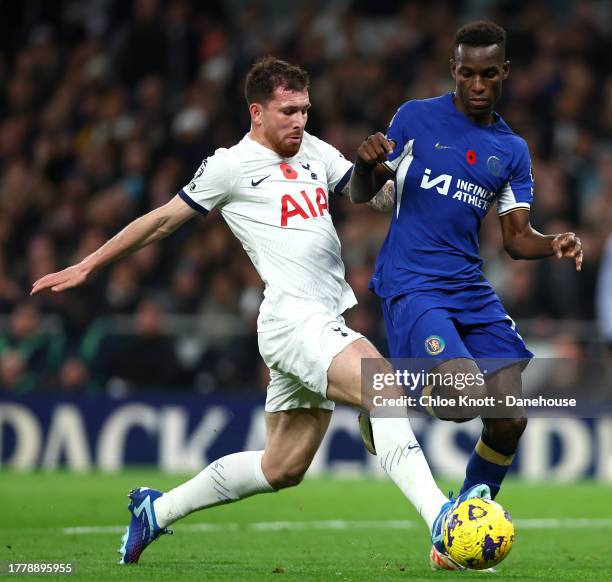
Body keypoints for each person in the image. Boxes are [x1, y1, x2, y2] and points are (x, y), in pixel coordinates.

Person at [31, 57, 491, 569]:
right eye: (288, 111)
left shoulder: (314, 150)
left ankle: (155, 510)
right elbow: (162, 221)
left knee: (282, 467)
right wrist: (89, 264)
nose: (300, 121)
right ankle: (441, 520)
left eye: (305, 110)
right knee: (381, 385)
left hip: (322, 318)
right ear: (257, 111)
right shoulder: (230, 165)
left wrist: (416, 174)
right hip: (292, 318)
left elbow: (377, 197)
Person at [350, 20, 583, 570]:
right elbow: (364, 193)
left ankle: (457, 526)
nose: (477, 85)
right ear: (454, 71)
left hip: (469, 287)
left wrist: (554, 243)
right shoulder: (414, 118)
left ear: (505, 74)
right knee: (460, 398)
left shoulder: (512, 149)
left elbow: (515, 238)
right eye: (467, 74)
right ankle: (390, 401)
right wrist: (365, 165)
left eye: (489, 75)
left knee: (509, 417)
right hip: (412, 282)